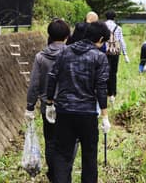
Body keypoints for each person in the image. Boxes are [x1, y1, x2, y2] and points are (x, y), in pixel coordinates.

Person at [46, 21, 111, 183]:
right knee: (89, 157)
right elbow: (101, 88)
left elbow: (52, 76)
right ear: (101, 38)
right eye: (104, 42)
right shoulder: (99, 57)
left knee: (62, 155)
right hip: (87, 114)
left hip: (64, 111)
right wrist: (104, 116)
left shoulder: (65, 52)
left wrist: (49, 102)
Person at [24, 18, 71, 182]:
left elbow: (34, 84)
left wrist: (30, 107)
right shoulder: (71, 54)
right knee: (67, 141)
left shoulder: (41, 57)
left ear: (49, 34)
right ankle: (64, 174)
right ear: (67, 36)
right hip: (68, 105)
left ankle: (53, 174)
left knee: (50, 142)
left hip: (47, 107)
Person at [103, 10, 129, 103]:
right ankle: (112, 94)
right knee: (113, 73)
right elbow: (122, 41)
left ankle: (104, 92)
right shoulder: (118, 28)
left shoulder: (102, 26)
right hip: (115, 52)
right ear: (114, 17)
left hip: (104, 52)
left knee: (104, 72)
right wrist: (125, 54)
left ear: (106, 17)